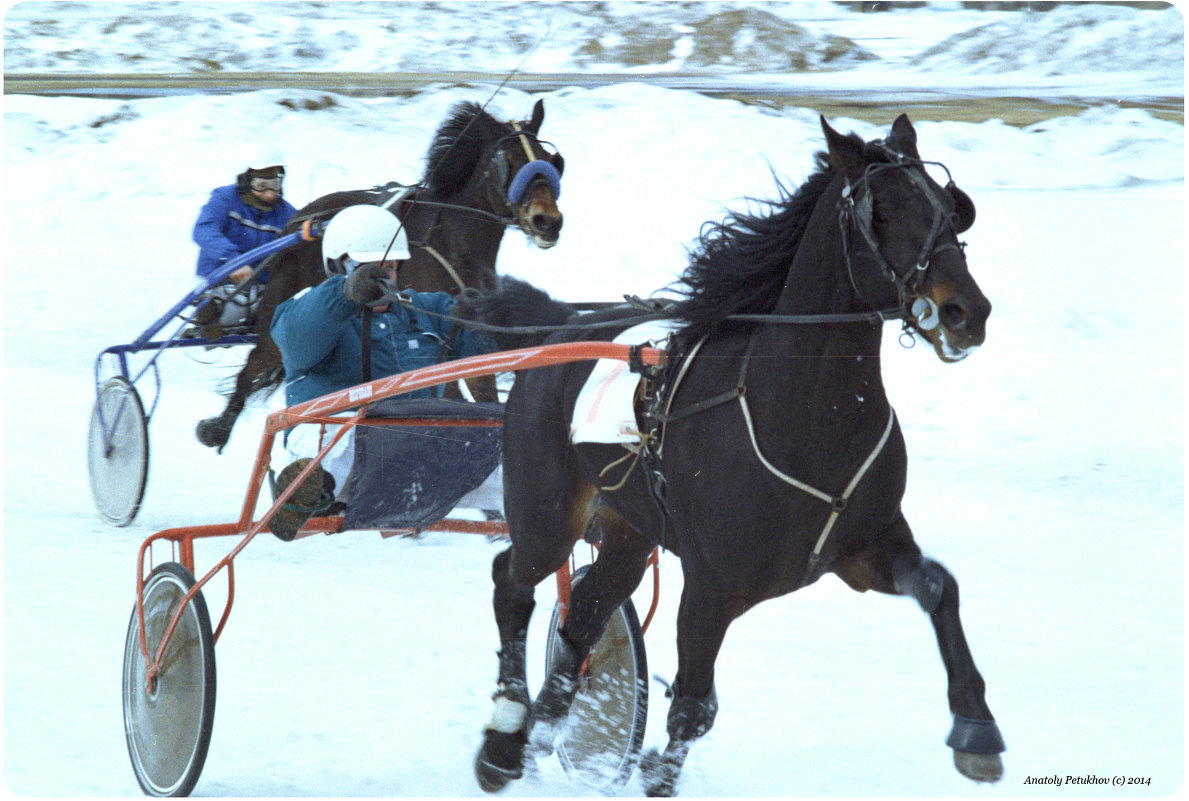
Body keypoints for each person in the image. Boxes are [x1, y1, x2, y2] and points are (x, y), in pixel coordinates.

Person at [267, 204, 495, 540]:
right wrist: (345, 294)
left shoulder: (424, 310)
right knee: (339, 435)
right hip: (343, 449)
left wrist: (495, 316)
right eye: (366, 269)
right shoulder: (310, 306)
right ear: (338, 265)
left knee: (503, 453)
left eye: (387, 268)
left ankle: (566, 505)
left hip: (413, 456)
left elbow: (487, 341)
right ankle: (307, 492)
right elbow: (298, 338)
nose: (380, 278)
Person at [189, 153, 298, 339]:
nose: (270, 193)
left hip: (260, 286)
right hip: (220, 278)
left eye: (275, 185)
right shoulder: (225, 199)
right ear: (247, 182)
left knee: (279, 306)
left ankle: (268, 323)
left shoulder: (286, 214)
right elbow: (203, 230)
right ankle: (210, 315)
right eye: (262, 185)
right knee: (227, 304)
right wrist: (233, 261)